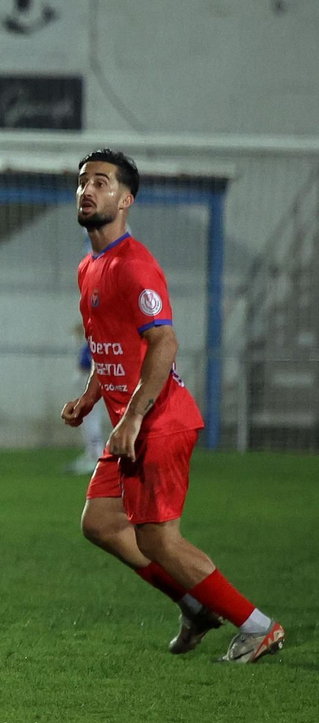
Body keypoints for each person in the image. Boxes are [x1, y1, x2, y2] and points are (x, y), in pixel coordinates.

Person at [61, 149, 283, 664]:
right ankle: (195, 607)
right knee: (99, 523)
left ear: (125, 199)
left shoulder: (134, 265)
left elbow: (163, 343)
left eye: (101, 182)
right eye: (82, 182)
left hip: (160, 421)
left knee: (158, 538)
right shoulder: (89, 267)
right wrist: (90, 397)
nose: (88, 190)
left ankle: (259, 627)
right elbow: (110, 346)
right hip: (130, 426)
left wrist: (134, 416)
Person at [65, 332, 107, 474]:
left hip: (90, 382)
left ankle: (96, 455)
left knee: (91, 420)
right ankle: (92, 453)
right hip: (86, 381)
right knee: (88, 420)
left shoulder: (95, 344)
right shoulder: (89, 345)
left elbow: (87, 363)